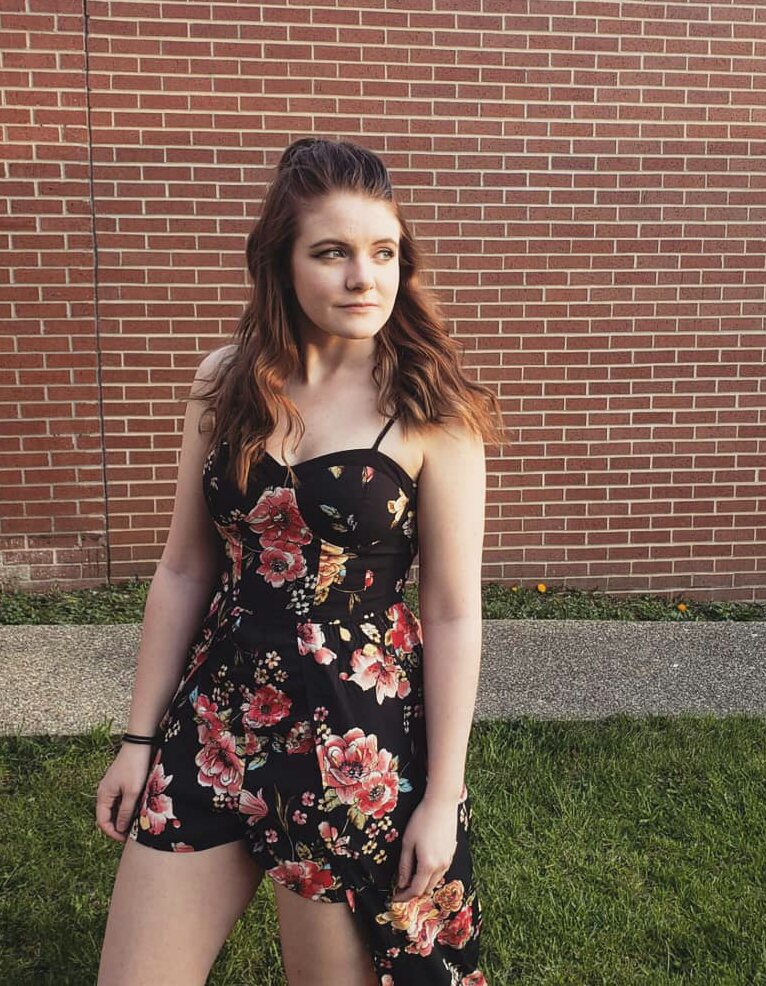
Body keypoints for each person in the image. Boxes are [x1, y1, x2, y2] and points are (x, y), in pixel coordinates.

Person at [95, 137, 504, 986]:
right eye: (332, 253)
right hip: (216, 720)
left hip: (352, 739)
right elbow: (183, 570)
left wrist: (444, 795)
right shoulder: (225, 383)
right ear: (281, 262)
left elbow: (453, 611)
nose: (364, 278)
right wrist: (138, 740)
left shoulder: (430, 408)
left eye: (383, 252)